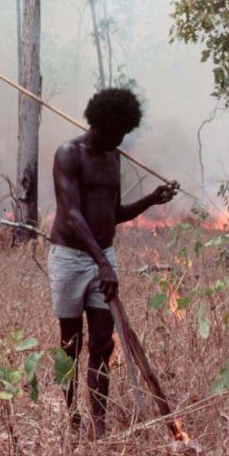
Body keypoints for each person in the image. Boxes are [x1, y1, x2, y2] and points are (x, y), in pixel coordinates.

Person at [48, 87, 179, 438]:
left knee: (102, 345)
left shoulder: (113, 158)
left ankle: (100, 426)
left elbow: (114, 213)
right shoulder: (68, 154)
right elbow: (72, 215)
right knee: (70, 344)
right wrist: (100, 264)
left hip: (102, 255)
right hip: (70, 258)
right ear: (101, 123)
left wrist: (152, 200)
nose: (122, 139)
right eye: (118, 131)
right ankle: (72, 418)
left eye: (125, 132)